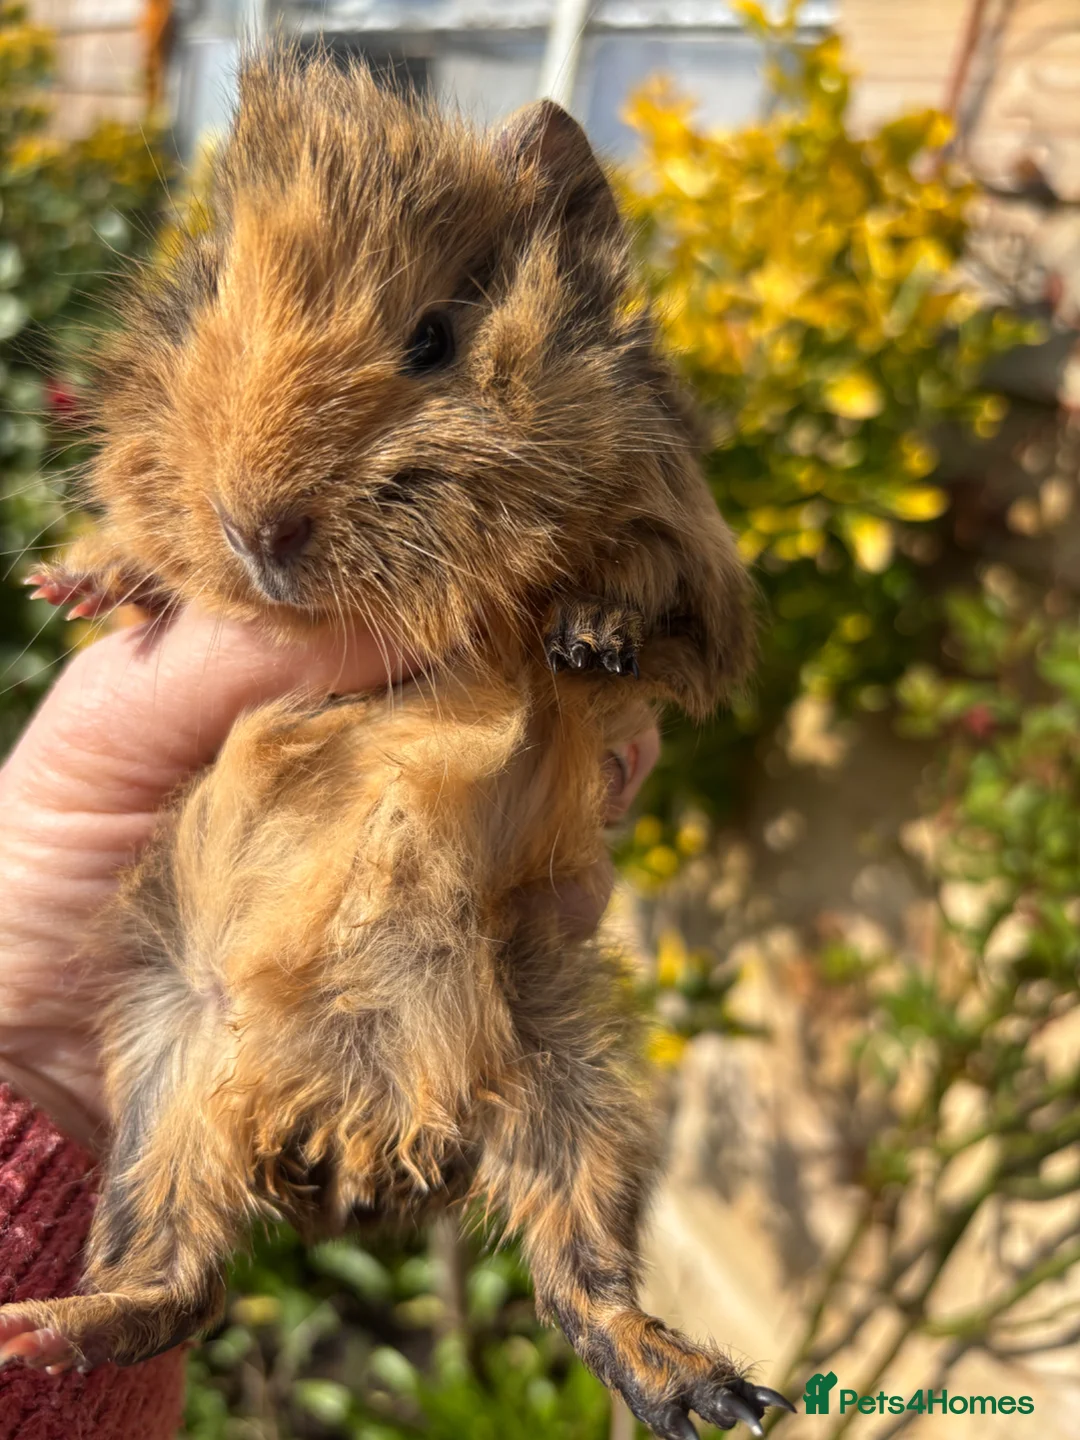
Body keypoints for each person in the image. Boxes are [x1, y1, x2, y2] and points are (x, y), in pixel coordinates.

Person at [0, 606, 658, 1437]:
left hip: (429, 974)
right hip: (268, 979)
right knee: (547, 1037)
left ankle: (602, 1307)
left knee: (554, 1034)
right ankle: (155, 1286)